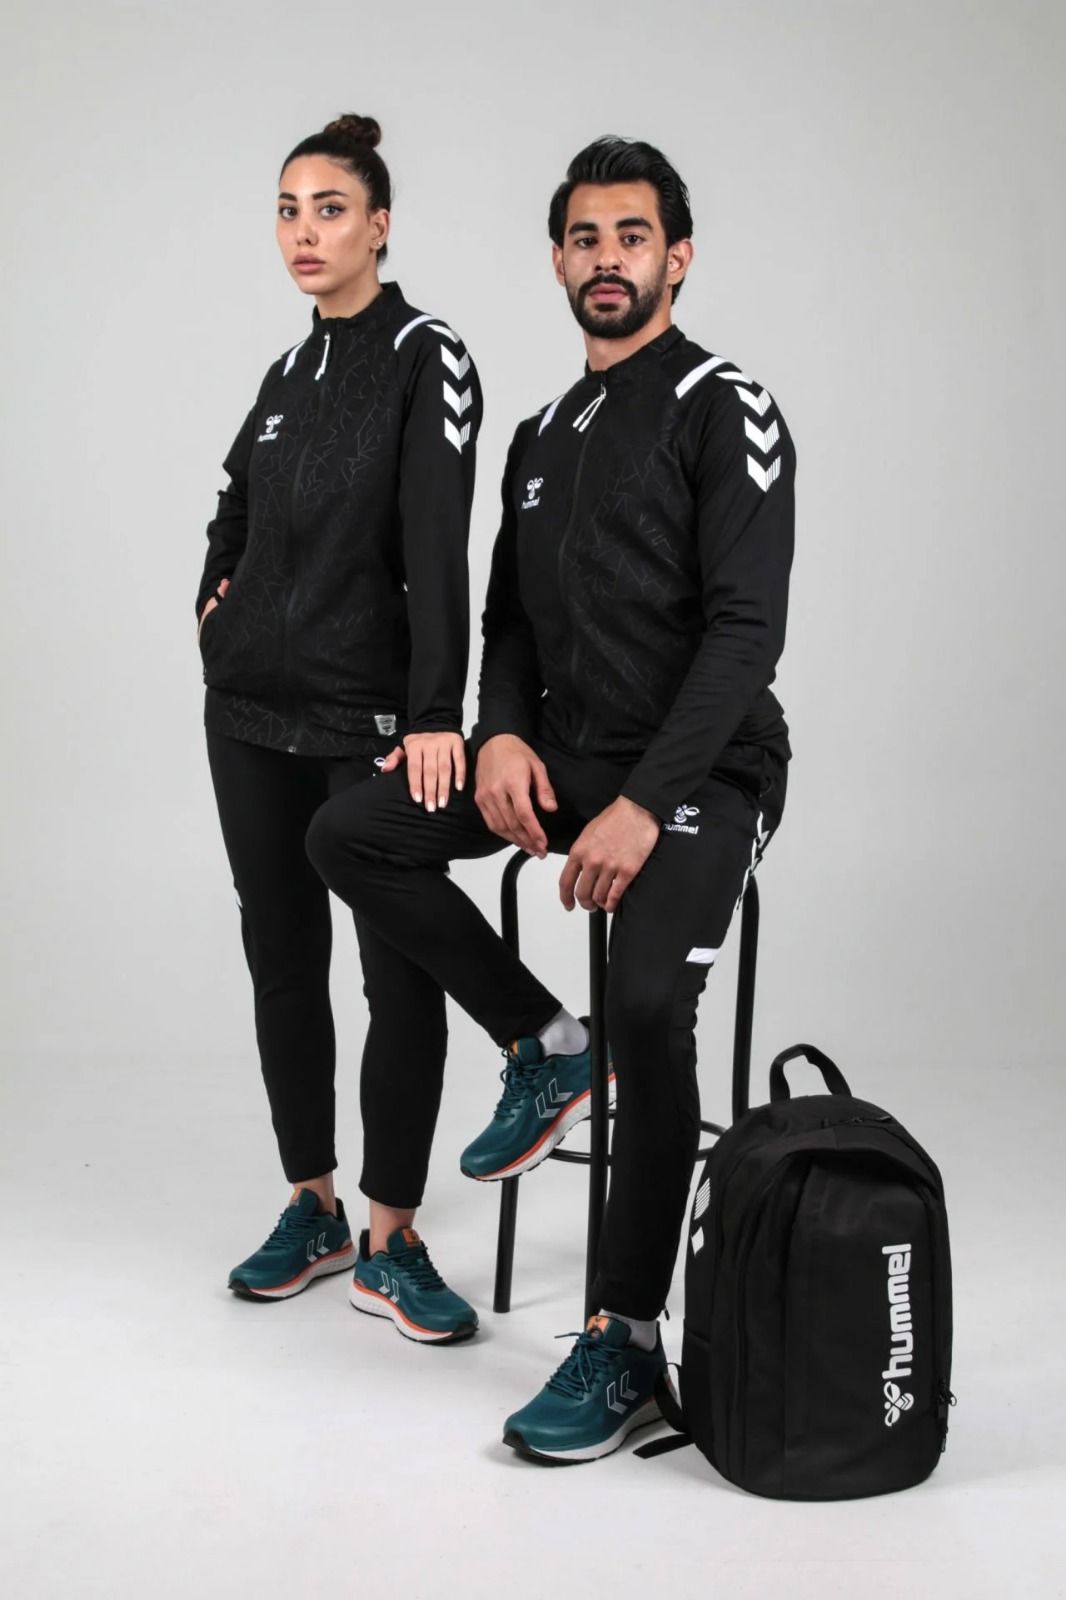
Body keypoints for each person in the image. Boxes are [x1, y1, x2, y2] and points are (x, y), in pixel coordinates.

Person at [306, 134, 795, 1458]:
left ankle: (622, 1340)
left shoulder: (725, 406)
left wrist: (644, 802)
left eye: (631, 237)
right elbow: (508, 624)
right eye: (584, 238)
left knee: (648, 1005)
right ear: (558, 261)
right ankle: (544, 1041)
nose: (606, 259)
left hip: (702, 771)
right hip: (565, 757)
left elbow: (745, 631)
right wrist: (502, 737)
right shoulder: (538, 433)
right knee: (352, 832)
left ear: (676, 258)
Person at [197, 112, 484, 1342]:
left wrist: (435, 713)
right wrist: (214, 608)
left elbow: (439, 543)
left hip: (368, 718)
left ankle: (390, 1233)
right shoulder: (284, 375)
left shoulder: (427, 354)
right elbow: (233, 507)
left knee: (395, 972)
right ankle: (310, 1203)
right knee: (281, 956)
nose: (304, 233)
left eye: (328, 209)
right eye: (287, 210)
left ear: (379, 224)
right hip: (249, 715)